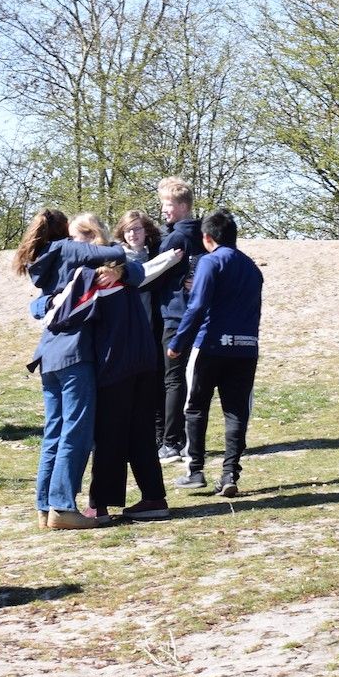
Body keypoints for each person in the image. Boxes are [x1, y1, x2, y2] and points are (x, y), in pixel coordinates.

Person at [19, 209, 125, 529]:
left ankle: (44, 508)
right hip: (75, 355)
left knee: (54, 433)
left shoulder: (48, 258)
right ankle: (63, 507)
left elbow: (41, 302)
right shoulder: (69, 249)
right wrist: (106, 251)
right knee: (75, 433)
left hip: (49, 355)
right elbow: (119, 254)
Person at [167, 210, 265, 497]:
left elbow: (197, 305)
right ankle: (230, 473)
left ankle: (195, 470)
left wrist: (178, 342)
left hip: (210, 345)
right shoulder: (252, 268)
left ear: (207, 237)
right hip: (246, 347)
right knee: (236, 412)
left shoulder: (209, 262)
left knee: (196, 406)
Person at [88, 216, 178, 522]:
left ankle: (100, 505)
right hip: (142, 359)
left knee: (109, 434)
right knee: (139, 433)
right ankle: (153, 498)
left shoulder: (99, 271)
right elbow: (139, 271)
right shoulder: (122, 265)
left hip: (117, 362)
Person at [154, 179, 204, 463]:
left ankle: (171, 442)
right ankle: (187, 440)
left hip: (175, 316)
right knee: (190, 379)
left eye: (168, 204)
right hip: (197, 316)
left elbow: (153, 276)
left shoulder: (175, 239)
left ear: (183, 206)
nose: (164, 210)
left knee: (172, 379)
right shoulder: (203, 234)